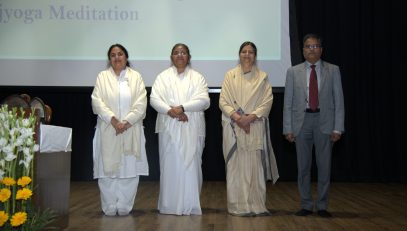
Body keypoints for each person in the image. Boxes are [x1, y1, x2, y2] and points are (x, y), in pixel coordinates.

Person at [283, 33, 345, 218]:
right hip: (301, 124)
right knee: (303, 167)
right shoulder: (293, 72)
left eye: (315, 46)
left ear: (321, 49)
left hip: (324, 123)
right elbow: (288, 102)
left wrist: (338, 127)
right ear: (303, 50)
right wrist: (288, 128)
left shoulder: (333, 70)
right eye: (308, 46)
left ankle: (323, 205)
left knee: (324, 166)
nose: (312, 49)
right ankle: (306, 204)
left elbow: (339, 100)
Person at [219, 41, 279, 216]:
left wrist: (249, 119)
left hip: (254, 126)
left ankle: (256, 205)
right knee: (236, 166)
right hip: (234, 127)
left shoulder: (262, 77)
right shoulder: (230, 75)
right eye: (244, 51)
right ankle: (238, 206)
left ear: (255, 55)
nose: (247, 55)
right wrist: (239, 119)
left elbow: (267, 101)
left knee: (254, 166)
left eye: (251, 52)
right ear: (239, 55)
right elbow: (223, 101)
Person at [150, 43, 210, 215]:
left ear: (189, 57)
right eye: (176, 52)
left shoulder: (198, 77)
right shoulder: (162, 77)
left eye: (183, 52)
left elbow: (205, 100)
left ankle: (191, 205)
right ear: (171, 57)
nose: (180, 55)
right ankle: (169, 205)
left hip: (192, 126)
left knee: (191, 166)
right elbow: (154, 98)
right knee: (170, 166)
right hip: (169, 127)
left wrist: (182, 108)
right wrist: (171, 111)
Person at [91, 44, 149, 216]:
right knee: (107, 169)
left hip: (131, 129)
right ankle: (109, 205)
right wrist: (115, 121)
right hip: (109, 128)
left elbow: (141, 103)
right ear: (109, 59)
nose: (117, 57)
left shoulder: (136, 77)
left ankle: (125, 205)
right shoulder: (102, 77)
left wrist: (127, 122)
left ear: (126, 57)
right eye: (113, 55)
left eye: (120, 54)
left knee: (129, 169)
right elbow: (97, 102)